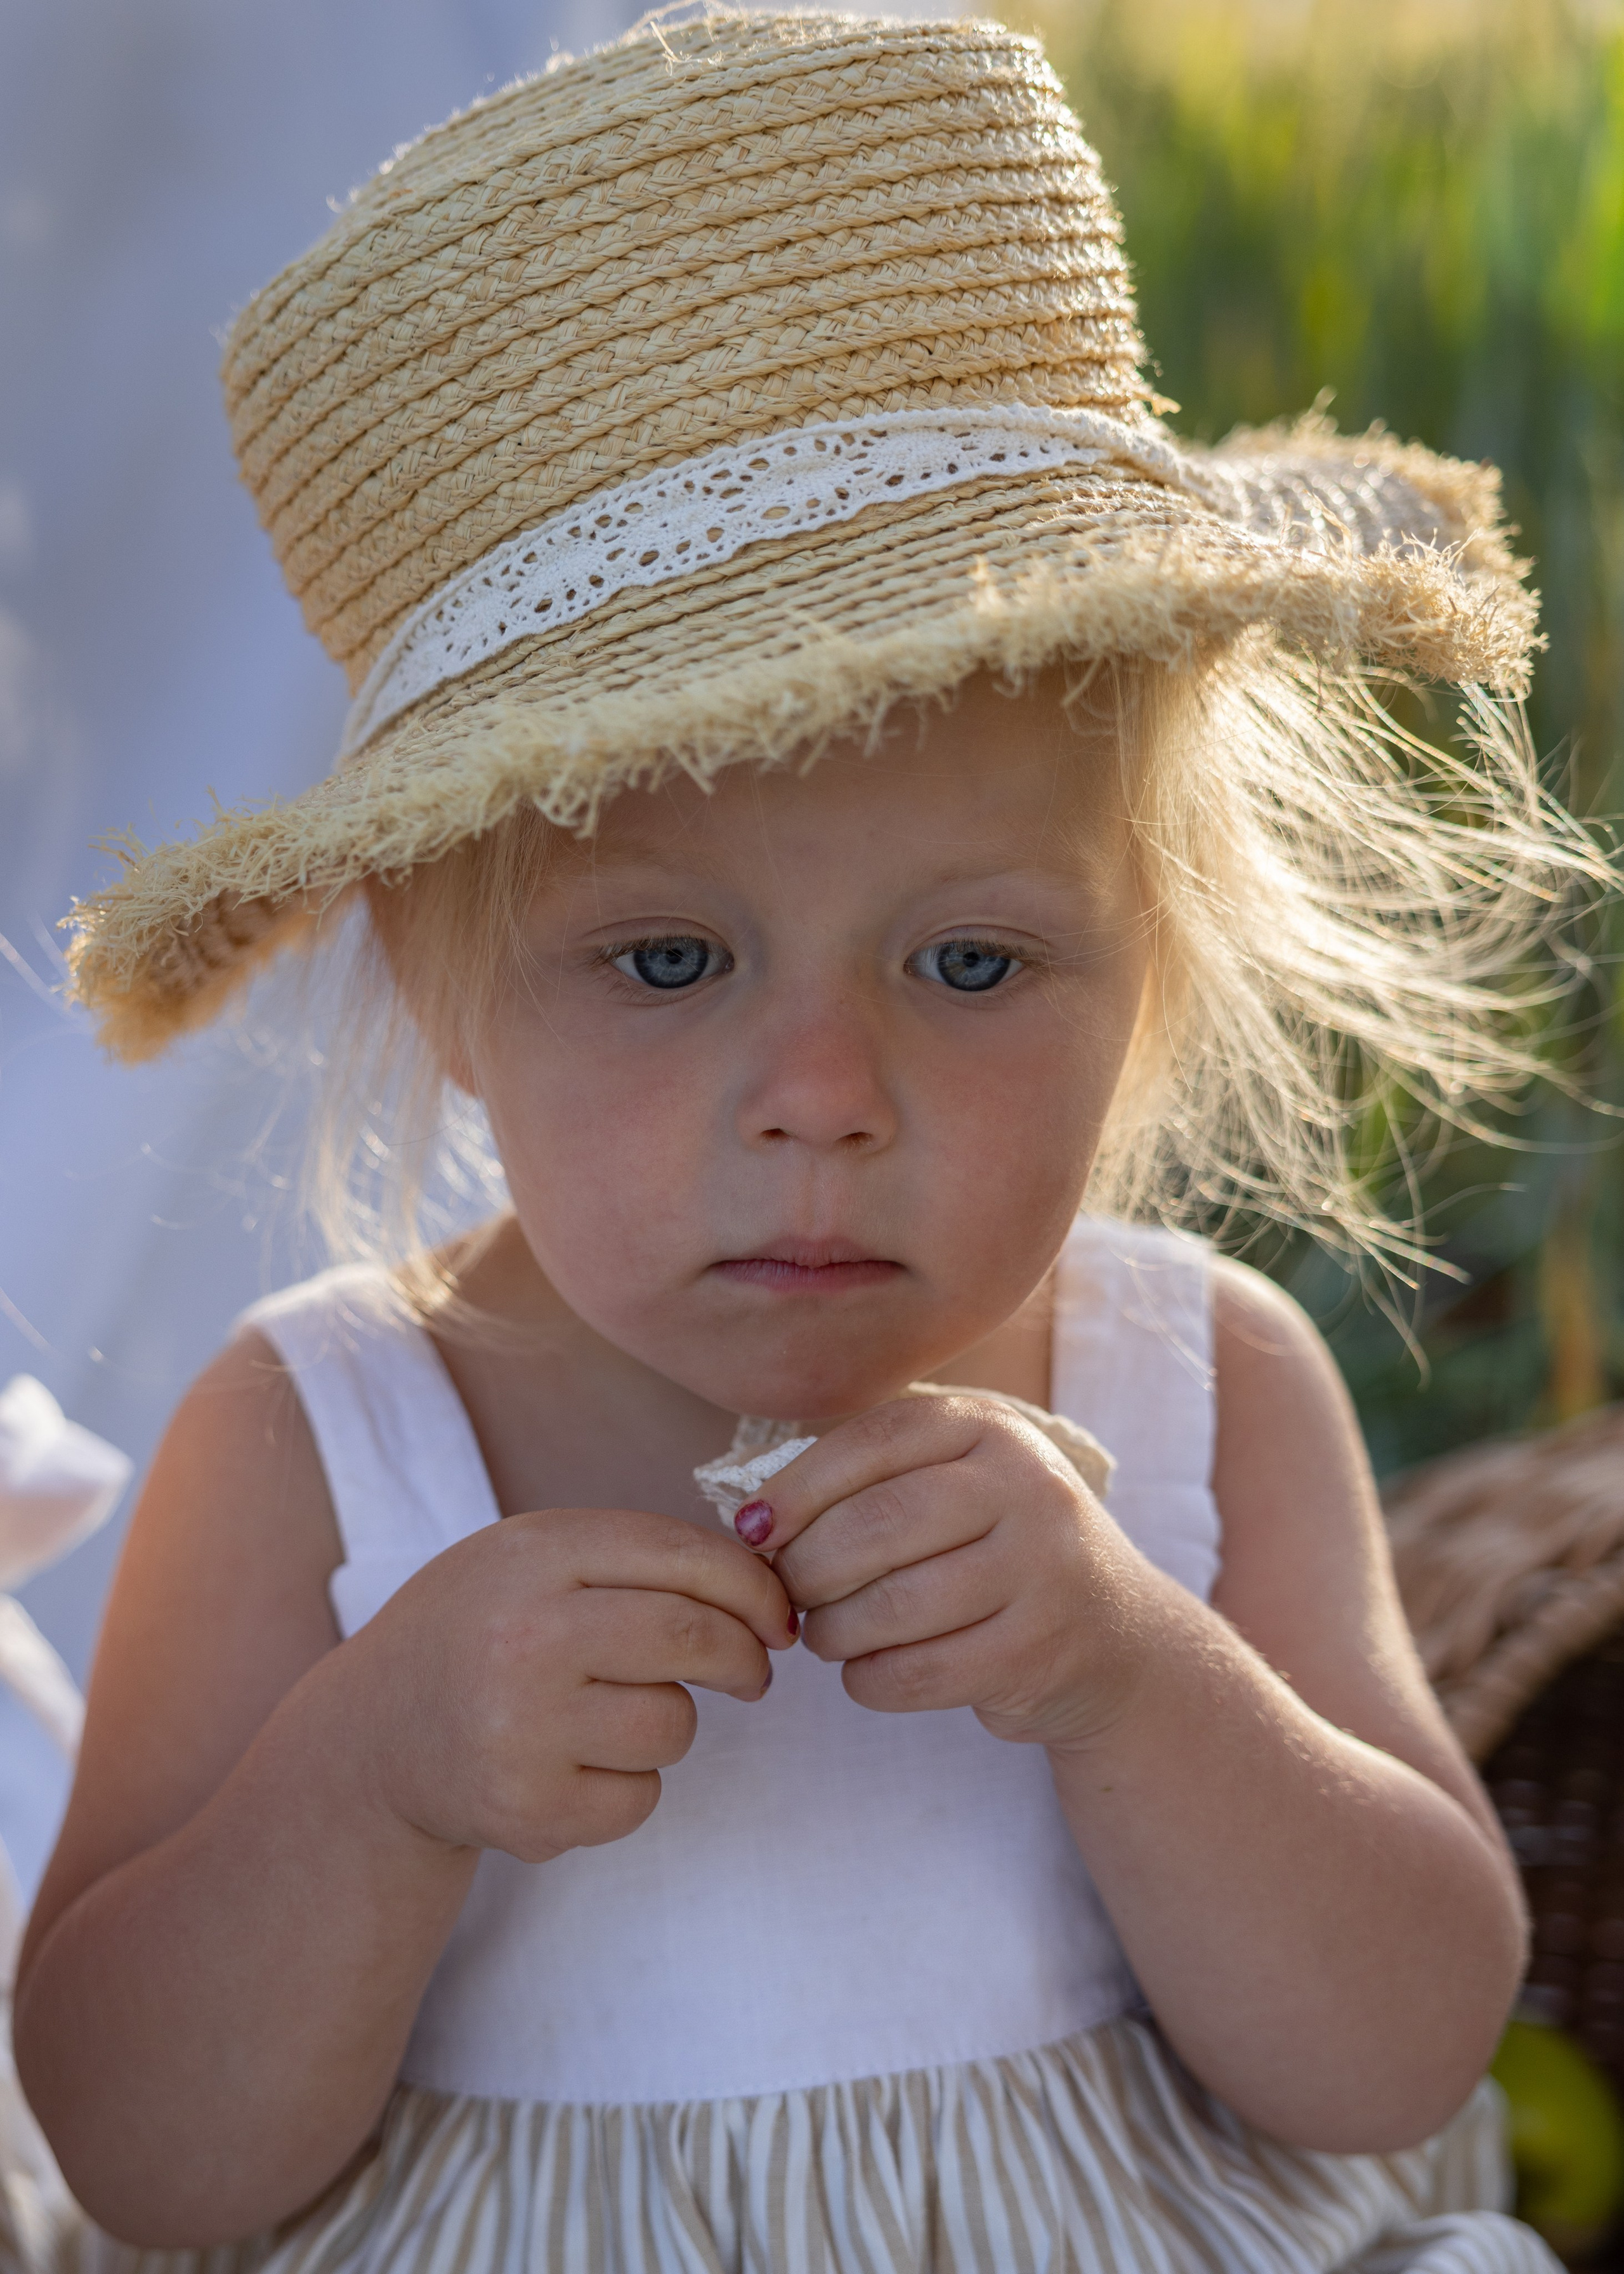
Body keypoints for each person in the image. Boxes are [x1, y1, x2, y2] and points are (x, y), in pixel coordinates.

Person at [10, 10, 1609, 2269]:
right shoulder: (323, 1438)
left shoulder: (1192, 1386)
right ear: (443, 986)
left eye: (972, 965)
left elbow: (1393, 2054)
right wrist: (370, 1778)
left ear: (1142, 961)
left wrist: (1134, 1676)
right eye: (664, 964)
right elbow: (139, 2158)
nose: (826, 1093)